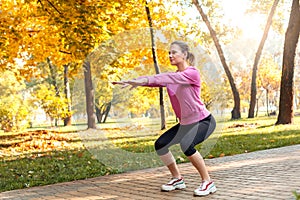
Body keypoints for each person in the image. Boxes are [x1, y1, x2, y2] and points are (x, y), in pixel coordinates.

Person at [113, 40, 217, 196]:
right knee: (161, 144)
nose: (170, 55)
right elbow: (158, 80)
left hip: (204, 121)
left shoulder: (192, 73)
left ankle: (207, 182)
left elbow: (164, 78)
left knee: (187, 145)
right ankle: (177, 178)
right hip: (185, 124)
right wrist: (137, 81)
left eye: (174, 52)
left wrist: (143, 80)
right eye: (169, 52)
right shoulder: (173, 77)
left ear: (184, 54)